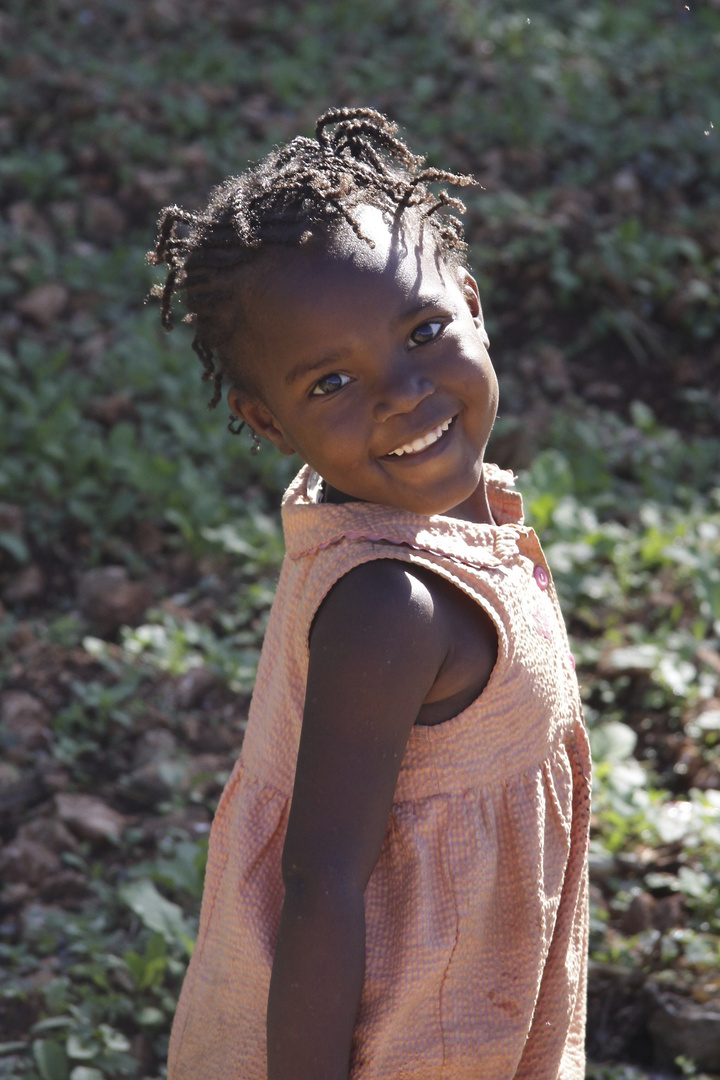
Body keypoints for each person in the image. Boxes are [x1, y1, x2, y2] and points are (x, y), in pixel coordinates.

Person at [149, 107, 591, 1080]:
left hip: (464, 989)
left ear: (471, 304)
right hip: (403, 1037)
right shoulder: (393, 605)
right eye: (331, 383)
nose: (401, 392)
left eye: (424, 329)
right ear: (264, 420)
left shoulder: (444, 525)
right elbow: (320, 884)